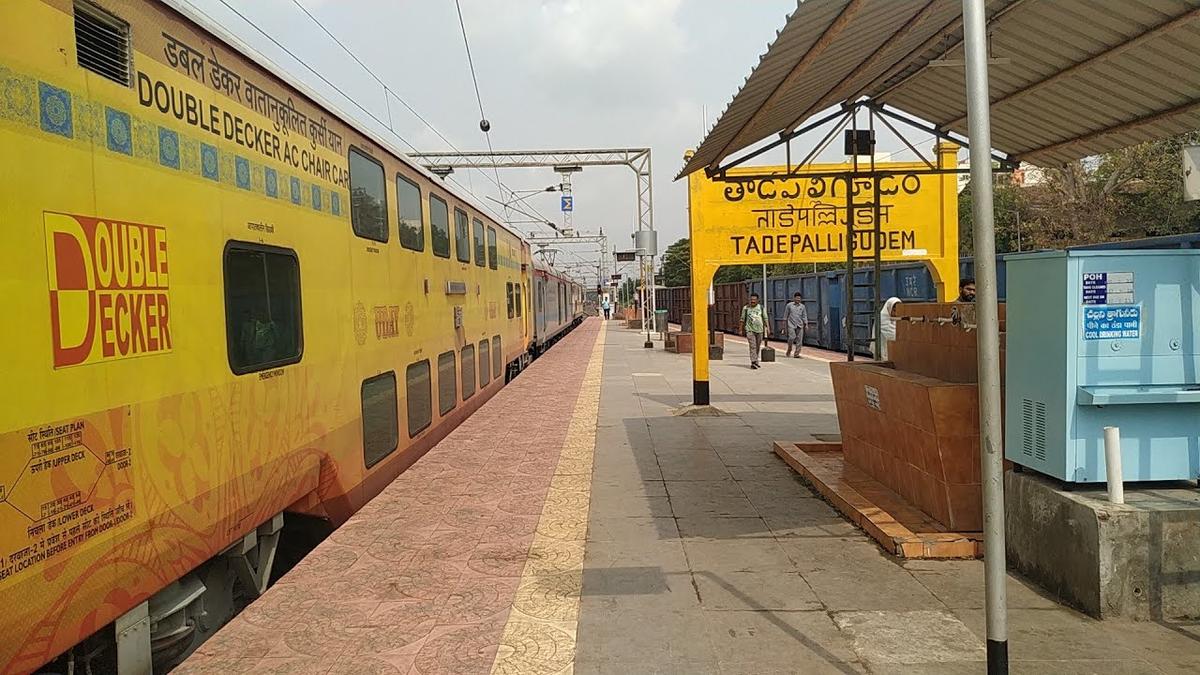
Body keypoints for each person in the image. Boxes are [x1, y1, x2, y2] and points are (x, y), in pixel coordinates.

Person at [738, 293, 770, 370]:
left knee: (757, 346)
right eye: (751, 300)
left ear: (757, 300)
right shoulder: (746, 308)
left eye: (754, 300)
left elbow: (765, 318)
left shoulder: (761, 308)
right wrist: (740, 329)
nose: (752, 301)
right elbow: (742, 319)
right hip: (750, 330)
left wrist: (768, 328)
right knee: (753, 346)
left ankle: (756, 361)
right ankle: (753, 362)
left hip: (760, 330)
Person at [783, 292, 808, 358]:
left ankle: (796, 353)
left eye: (799, 299)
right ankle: (789, 349)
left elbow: (804, 316)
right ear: (794, 298)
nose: (798, 300)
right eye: (797, 298)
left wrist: (806, 324)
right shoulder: (789, 305)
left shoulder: (802, 307)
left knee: (799, 340)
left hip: (800, 324)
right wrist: (784, 325)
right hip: (791, 324)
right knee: (792, 337)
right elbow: (786, 315)